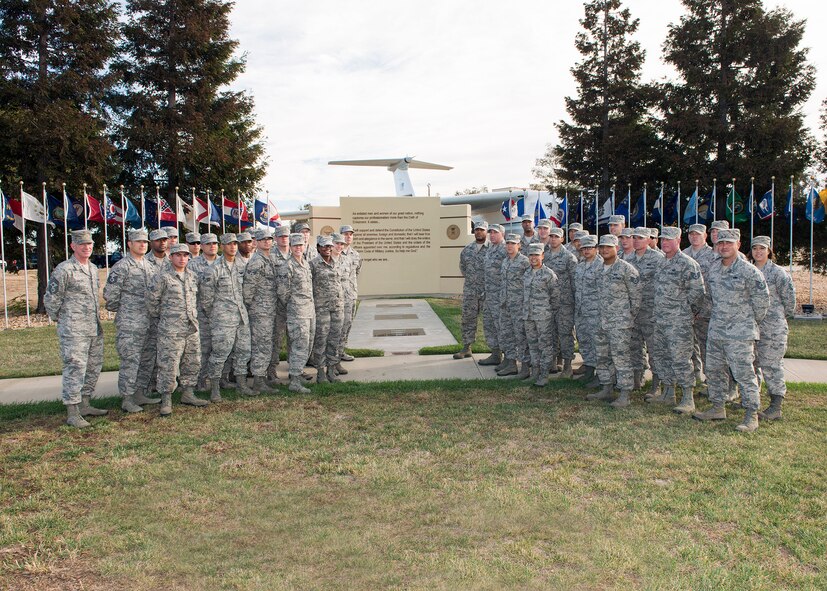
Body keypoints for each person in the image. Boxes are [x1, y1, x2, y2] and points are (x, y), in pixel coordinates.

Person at [693, 229, 770, 432]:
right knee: (714, 370)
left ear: (738, 244)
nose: (724, 246)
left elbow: (762, 303)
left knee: (743, 373)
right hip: (717, 330)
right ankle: (717, 407)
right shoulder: (714, 269)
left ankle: (751, 414)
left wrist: (746, 322)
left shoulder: (748, 271)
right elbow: (708, 298)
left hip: (740, 333)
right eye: (721, 243)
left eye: (729, 243)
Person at [44, 230, 107, 428]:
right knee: (75, 368)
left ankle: (85, 404)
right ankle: (72, 412)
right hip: (74, 330)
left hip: (93, 328)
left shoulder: (93, 268)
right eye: (82, 244)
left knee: (93, 366)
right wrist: (64, 320)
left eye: (89, 244)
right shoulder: (64, 270)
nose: (87, 247)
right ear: (73, 246)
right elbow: (51, 299)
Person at [103, 229, 160, 413]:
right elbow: (110, 296)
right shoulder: (122, 267)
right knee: (131, 360)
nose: (142, 244)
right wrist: (127, 311)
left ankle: (139, 393)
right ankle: (127, 398)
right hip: (130, 323)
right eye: (138, 242)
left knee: (147, 358)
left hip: (150, 322)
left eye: (145, 242)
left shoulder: (150, 267)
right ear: (130, 244)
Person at [652, 227, 706, 414]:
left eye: (669, 239)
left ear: (678, 240)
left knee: (680, 358)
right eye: (662, 239)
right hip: (660, 319)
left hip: (678, 321)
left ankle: (687, 397)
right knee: (662, 355)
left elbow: (698, 293)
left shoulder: (688, 264)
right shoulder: (660, 262)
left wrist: (686, 313)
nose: (664, 242)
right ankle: (668, 392)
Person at [147, 243, 203, 415]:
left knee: (192, 362)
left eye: (185, 255)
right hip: (171, 330)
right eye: (178, 255)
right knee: (169, 364)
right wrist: (167, 318)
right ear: (170, 257)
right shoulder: (162, 278)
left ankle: (188, 393)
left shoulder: (193, 276)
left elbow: (196, 300)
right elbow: (152, 303)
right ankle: (166, 399)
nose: (182, 258)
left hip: (191, 328)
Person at [589, 235, 641, 408]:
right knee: (602, 356)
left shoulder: (626, 269)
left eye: (608, 247)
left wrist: (627, 318)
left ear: (616, 248)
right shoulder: (597, 269)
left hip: (619, 323)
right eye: (602, 247)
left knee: (621, 358)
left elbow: (636, 298)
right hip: (601, 321)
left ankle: (625, 393)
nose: (604, 250)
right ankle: (607, 387)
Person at [201, 233, 254, 400]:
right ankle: (215, 388)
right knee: (220, 353)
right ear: (222, 247)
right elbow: (206, 299)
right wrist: (217, 316)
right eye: (229, 244)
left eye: (235, 244)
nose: (233, 247)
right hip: (223, 319)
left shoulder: (242, 266)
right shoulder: (214, 269)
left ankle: (241, 385)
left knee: (243, 351)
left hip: (241, 317)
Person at [749, 236, 796, 421]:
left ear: (769, 251)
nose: (758, 252)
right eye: (755, 248)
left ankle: (776, 406)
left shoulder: (778, 273)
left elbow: (789, 302)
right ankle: (754, 400)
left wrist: (777, 318)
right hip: (752, 326)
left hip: (773, 328)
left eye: (762, 248)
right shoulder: (749, 271)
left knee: (772, 365)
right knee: (753, 364)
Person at [242, 227, 279, 395]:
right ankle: (258, 381)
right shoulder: (257, 261)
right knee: (261, 345)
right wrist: (253, 310)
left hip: (270, 310)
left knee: (266, 344)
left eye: (269, 239)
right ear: (256, 242)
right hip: (260, 312)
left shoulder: (269, 259)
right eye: (263, 239)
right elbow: (248, 291)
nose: (267, 242)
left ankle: (261, 378)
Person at [629, 227, 665, 395]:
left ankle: (656, 384)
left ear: (649, 239)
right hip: (633, 312)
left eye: (641, 238)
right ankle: (637, 378)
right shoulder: (627, 259)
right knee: (634, 346)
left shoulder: (658, 259)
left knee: (654, 348)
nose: (637, 241)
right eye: (634, 237)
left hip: (651, 311)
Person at [683, 223, 717, 387]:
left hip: (706, 310)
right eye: (691, 234)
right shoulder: (684, 254)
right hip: (687, 309)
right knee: (689, 346)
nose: (694, 237)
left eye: (698, 234)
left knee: (707, 347)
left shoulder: (713, 255)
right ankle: (694, 376)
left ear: (705, 236)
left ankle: (710, 380)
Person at [523, 243, 560, 386]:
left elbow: (555, 296)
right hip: (528, 315)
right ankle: (535, 372)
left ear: (542, 256)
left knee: (545, 345)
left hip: (543, 316)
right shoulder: (526, 273)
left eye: (536, 255)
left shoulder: (548, 274)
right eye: (531, 255)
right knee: (532, 345)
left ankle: (544, 374)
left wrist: (547, 311)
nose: (533, 258)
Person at [543, 227, 577, 377]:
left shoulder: (569, 257)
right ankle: (553, 361)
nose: (553, 239)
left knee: (564, 333)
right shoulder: (545, 256)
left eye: (556, 236)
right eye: (551, 236)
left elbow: (575, 281)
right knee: (550, 332)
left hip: (565, 302)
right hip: (549, 301)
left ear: (562, 239)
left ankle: (568, 364)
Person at [310, 236, 345, 383]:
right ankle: (320, 372)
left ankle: (331, 370)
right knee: (321, 340)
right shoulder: (312, 265)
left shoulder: (337, 263)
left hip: (337, 308)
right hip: (321, 309)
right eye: (324, 246)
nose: (327, 249)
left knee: (334, 340)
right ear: (318, 248)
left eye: (330, 246)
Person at [188, 232, 220, 392]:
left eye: (214, 243)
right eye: (208, 244)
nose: (212, 246)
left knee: (220, 347)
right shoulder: (193, 265)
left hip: (221, 313)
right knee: (204, 348)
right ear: (201, 246)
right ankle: (201, 380)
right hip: (201, 313)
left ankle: (221, 379)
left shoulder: (224, 262)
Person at [497, 233, 531, 378]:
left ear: (519, 245)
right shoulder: (505, 261)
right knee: (507, 334)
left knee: (521, 336)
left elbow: (530, 283)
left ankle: (524, 367)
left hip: (519, 306)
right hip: (505, 305)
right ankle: (511, 363)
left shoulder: (525, 262)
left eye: (513, 243)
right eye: (508, 243)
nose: (510, 246)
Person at [454, 221, 489, 359]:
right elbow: (463, 268)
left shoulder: (493, 249)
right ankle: (466, 347)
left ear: (486, 231)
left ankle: (496, 351)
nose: (479, 232)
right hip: (470, 291)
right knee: (468, 319)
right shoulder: (467, 250)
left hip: (488, 292)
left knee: (490, 322)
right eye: (476, 230)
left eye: (481, 230)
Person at [285, 233, 315, 393]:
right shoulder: (287, 266)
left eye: (301, 245)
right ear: (290, 247)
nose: (298, 248)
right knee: (299, 345)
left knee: (307, 345)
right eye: (295, 245)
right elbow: (283, 293)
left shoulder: (305, 264)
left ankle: (298, 372)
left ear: (304, 247)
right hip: (297, 313)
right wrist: (294, 306)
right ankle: (294, 381)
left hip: (309, 311)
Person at [573, 235, 603, 384]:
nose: (586, 250)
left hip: (596, 312)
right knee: (584, 341)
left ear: (596, 249)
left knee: (598, 343)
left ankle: (601, 375)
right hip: (581, 311)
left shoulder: (602, 266)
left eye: (589, 247)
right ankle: (589, 369)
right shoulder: (580, 266)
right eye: (584, 248)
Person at [479, 224, 508, 367]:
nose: (492, 235)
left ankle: (508, 358)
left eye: (495, 232)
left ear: (502, 234)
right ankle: (495, 354)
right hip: (489, 295)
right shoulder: (490, 249)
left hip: (500, 296)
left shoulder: (505, 250)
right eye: (490, 232)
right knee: (490, 326)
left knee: (503, 327)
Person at [268, 225, 292, 381]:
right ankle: (271, 370)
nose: (284, 239)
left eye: (286, 236)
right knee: (276, 339)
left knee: (295, 339)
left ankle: (296, 369)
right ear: (275, 238)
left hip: (294, 305)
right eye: (281, 236)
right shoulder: (270, 256)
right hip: (276, 306)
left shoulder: (297, 254)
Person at [338, 224, 361, 368]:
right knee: (337, 327)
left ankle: (341, 351)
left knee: (347, 325)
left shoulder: (356, 255)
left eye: (350, 234)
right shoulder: (335, 254)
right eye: (345, 234)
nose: (348, 237)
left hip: (351, 296)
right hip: (338, 298)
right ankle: (333, 355)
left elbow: (356, 272)